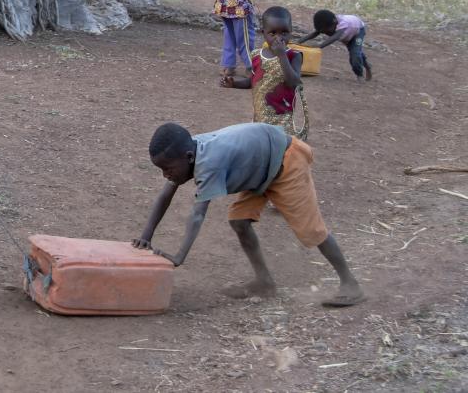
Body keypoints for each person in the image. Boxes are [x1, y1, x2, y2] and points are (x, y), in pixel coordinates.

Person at [133, 122, 365, 308]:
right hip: (260, 170)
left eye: (168, 169)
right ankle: (264, 282)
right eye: (161, 170)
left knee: (311, 230)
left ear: (189, 157)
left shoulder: (209, 163)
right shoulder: (190, 149)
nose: (166, 175)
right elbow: (165, 196)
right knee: (239, 221)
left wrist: (179, 256)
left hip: (286, 161)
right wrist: (146, 236)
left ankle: (350, 284)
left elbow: (197, 215)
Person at [221, 6, 307, 139]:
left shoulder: (294, 56)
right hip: (259, 120)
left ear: (291, 32)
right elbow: (254, 81)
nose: (279, 38)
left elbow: (294, 83)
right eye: (273, 33)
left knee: (279, 155)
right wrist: (234, 83)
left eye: (284, 33)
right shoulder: (256, 55)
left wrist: (282, 56)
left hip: (282, 124)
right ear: (263, 33)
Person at [293, 9, 373, 81]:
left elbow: (335, 37)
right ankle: (367, 65)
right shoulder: (328, 25)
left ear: (335, 22)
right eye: (323, 31)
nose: (326, 33)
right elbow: (315, 33)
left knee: (355, 54)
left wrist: (319, 46)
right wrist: (299, 41)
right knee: (355, 53)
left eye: (327, 31)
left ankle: (359, 75)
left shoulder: (343, 24)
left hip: (357, 32)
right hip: (347, 36)